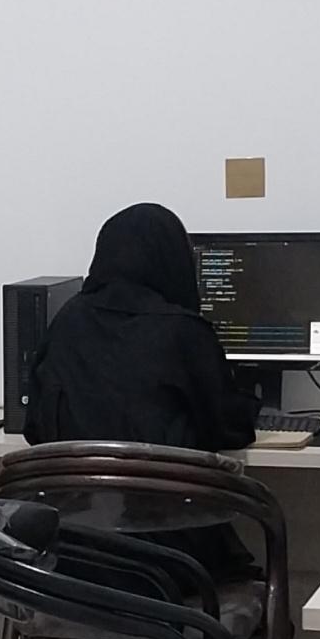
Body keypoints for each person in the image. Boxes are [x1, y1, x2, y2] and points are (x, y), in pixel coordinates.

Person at [25, 200, 259, 582]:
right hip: (171, 560)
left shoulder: (66, 322)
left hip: (75, 560)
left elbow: (35, 430)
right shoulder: (183, 332)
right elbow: (230, 430)